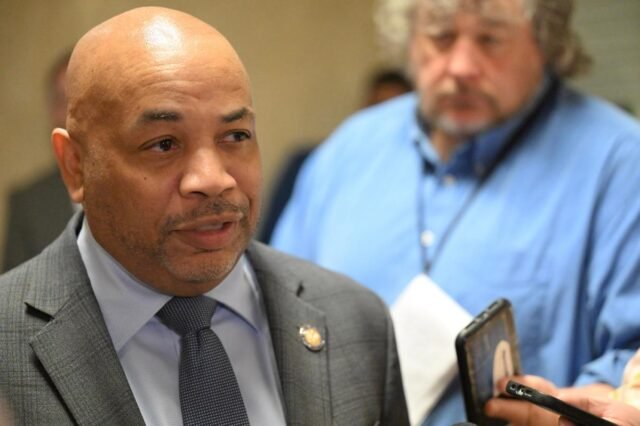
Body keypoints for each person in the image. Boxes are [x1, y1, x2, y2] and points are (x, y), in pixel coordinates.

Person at [0, 7, 409, 425]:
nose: (213, 180)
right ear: (75, 166)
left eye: (235, 136)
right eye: (164, 144)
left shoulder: (356, 323)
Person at [271, 0, 640, 424]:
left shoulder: (621, 164)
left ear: (545, 44)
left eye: (491, 39)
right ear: (409, 39)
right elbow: (276, 320)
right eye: (441, 36)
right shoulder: (347, 152)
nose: (462, 66)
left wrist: (587, 406)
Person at [258, 68, 411, 243]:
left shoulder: (416, 180)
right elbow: (271, 241)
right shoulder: (315, 163)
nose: (384, 122)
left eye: (395, 113)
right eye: (376, 109)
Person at [2, 50, 75, 272]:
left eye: (80, 97)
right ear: (52, 111)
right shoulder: (28, 204)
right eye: (62, 100)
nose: (71, 112)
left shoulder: (135, 186)